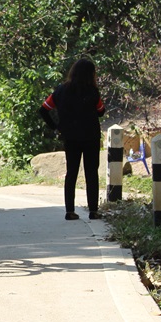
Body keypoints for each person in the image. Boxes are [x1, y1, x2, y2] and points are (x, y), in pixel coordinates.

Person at [39, 57, 106, 221]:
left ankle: (69, 210)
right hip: (90, 136)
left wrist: (55, 126)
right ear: (91, 74)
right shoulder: (92, 91)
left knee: (71, 173)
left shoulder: (61, 90)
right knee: (91, 173)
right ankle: (93, 210)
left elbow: (44, 109)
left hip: (70, 136)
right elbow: (101, 111)